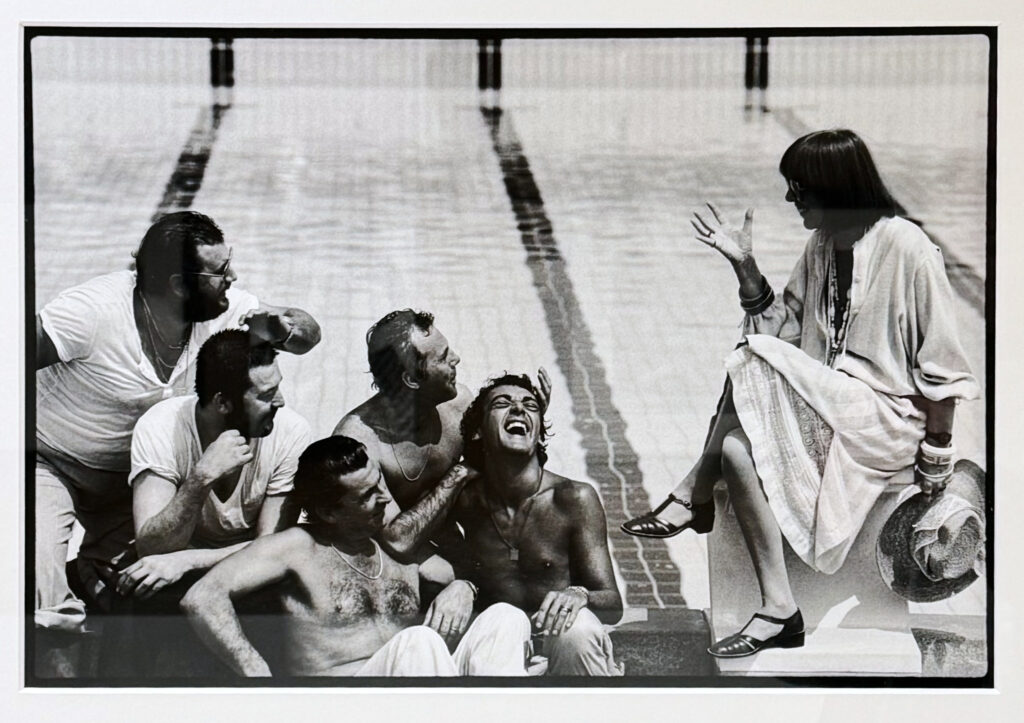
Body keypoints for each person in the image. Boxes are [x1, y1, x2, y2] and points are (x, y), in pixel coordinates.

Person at [620, 129, 980, 658]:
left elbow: (942, 367)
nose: (792, 199)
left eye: (800, 187)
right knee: (739, 452)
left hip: (887, 421)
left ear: (834, 184)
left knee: (751, 357)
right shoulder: (821, 246)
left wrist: (936, 463)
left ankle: (692, 492)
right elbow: (782, 331)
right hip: (832, 411)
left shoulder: (908, 247)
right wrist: (744, 266)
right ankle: (779, 610)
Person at [34, 210, 321, 644]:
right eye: (221, 270)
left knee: (125, 592)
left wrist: (287, 326)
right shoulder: (93, 311)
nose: (233, 276)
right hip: (48, 463)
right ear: (179, 285)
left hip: (132, 478)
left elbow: (307, 337)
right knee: (49, 605)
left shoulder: (226, 310)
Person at [181, 435, 533, 677]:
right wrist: (254, 671)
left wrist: (465, 588)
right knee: (417, 642)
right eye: (366, 495)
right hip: (343, 702)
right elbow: (202, 598)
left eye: (379, 483)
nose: (383, 499)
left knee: (504, 618)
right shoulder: (297, 546)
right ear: (328, 511)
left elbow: (471, 577)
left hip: (413, 694)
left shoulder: (396, 546)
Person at [428, 374, 624, 676]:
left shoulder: (573, 499)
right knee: (500, 625)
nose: (518, 409)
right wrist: (463, 584)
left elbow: (612, 603)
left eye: (530, 405)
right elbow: (404, 541)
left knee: (577, 630)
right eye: (502, 403)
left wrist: (579, 594)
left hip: (563, 647)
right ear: (478, 432)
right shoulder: (467, 501)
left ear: (539, 435)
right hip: (502, 647)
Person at [331, 310, 549, 567]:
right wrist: (459, 474)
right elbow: (396, 541)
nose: (456, 359)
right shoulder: (360, 442)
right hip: (378, 554)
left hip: (444, 536)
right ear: (411, 379)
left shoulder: (459, 407)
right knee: (438, 574)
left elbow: (514, 480)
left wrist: (527, 426)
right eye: (444, 358)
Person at [116, 329, 311, 600]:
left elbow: (272, 549)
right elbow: (152, 548)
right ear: (222, 402)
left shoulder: (291, 432)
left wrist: (188, 560)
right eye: (267, 395)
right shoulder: (161, 427)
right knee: (137, 590)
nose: (281, 401)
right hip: (170, 567)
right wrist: (200, 478)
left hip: (244, 568)